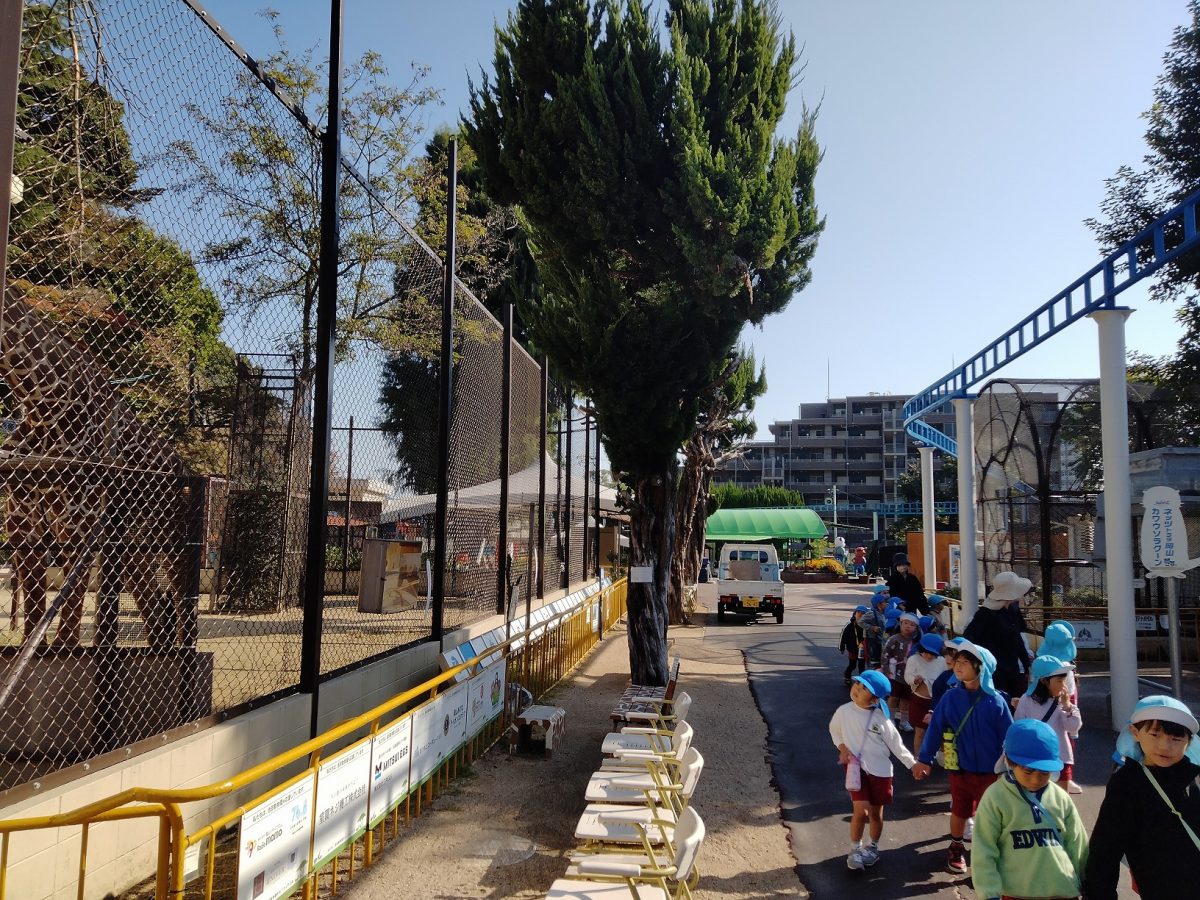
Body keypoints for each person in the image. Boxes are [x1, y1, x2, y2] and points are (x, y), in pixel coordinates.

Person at [1083, 695, 1200, 900]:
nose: (1164, 746)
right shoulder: (1127, 783)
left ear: (1189, 741)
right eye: (1155, 734)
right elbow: (1106, 849)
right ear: (1135, 732)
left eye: (1176, 739)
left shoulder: (1195, 777)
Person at [912, 640, 1013, 876]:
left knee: (990, 815)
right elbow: (935, 729)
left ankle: (987, 854)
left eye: (965, 662)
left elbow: (1009, 737)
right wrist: (924, 759)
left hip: (991, 772)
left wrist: (1013, 767)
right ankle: (956, 847)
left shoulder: (996, 701)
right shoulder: (950, 698)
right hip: (959, 768)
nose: (957, 665)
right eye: (957, 661)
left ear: (981, 668)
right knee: (960, 809)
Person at [971, 719, 1089, 900]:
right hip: (1017, 893)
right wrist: (989, 893)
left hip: (1063, 890)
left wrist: (1088, 882)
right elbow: (984, 849)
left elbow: (1077, 844)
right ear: (1009, 761)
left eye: (1044, 772)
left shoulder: (1060, 797)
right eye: (1028, 771)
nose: (1036, 779)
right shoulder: (995, 797)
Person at [829, 670, 926, 870]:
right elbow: (834, 730)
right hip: (856, 769)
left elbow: (896, 745)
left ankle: (872, 847)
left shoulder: (881, 719)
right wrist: (842, 748)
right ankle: (855, 849)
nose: (857, 688)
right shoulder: (844, 711)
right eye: (858, 683)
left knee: (875, 813)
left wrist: (913, 764)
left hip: (881, 771)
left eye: (864, 688)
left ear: (875, 700)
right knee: (861, 810)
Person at [1014, 655, 1083, 794]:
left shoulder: (1063, 702)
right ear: (1044, 680)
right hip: (1034, 759)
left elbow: (1073, 728)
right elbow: (1019, 727)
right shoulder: (1027, 700)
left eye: (1064, 681)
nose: (1063, 685)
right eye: (1059, 681)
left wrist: (1067, 706)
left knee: (1060, 801)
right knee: (1036, 798)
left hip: (1061, 758)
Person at [964, 571, 1034, 700]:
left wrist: (1026, 663)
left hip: (1013, 669)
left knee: (1013, 703)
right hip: (992, 672)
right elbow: (969, 638)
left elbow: (1017, 638)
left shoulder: (1013, 609)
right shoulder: (985, 614)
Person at [905, 632, 945, 753]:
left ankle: (942, 756)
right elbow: (907, 676)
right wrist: (914, 680)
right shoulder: (914, 659)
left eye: (933, 654)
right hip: (919, 700)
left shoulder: (942, 662)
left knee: (940, 731)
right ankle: (917, 756)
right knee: (920, 732)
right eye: (926, 652)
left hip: (936, 702)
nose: (929, 656)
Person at [882, 612, 921, 732]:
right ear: (900, 623)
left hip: (909, 675)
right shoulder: (894, 639)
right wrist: (886, 670)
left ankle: (904, 721)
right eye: (905, 623)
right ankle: (890, 719)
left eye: (912, 625)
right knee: (893, 696)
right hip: (894, 673)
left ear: (916, 628)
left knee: (906, 699)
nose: (908, 626)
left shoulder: (916, 642)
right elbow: (885, 654)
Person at [840, 605, 868, 686]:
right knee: (852, 665)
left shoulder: (866, 625)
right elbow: (843, 636)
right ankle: (847, 676)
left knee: (861, 666)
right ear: (854, 613)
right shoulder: (849, 625)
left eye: (863, 613)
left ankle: (861, 681)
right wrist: (841, 647)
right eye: (858, 612)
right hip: (852, 649)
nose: (860, 614)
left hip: (862, 649)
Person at [863, 592, 890, 668]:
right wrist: (872, 627)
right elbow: (860, 622)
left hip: (882, 639)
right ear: (879, 604)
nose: (886, 604)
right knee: (876, 662)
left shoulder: (883, 612)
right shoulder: (872, 613)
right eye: (884, 602)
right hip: (875, 640)